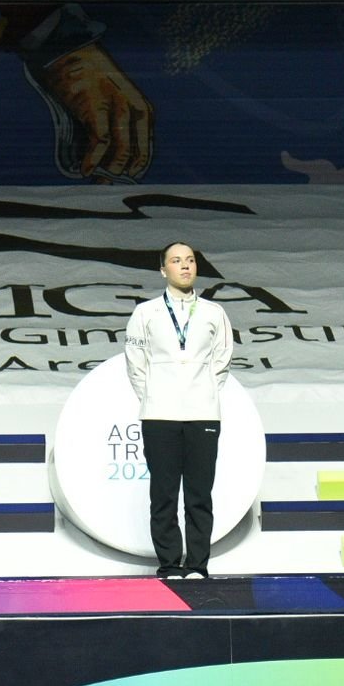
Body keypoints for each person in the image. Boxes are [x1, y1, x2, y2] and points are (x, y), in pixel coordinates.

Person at [124, 242, 234, 578]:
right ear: (163, 270)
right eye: (176, 261)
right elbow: (135, 364)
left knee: (200, 494)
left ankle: (198, 565)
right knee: (164, 493)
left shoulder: (214, 312)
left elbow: (222, 360)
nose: (185, 266)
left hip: (203, 414)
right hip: (159, 415)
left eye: (190, 260)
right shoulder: (145, 312)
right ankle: (170, 563)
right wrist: (154, 395)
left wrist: (203, 391)